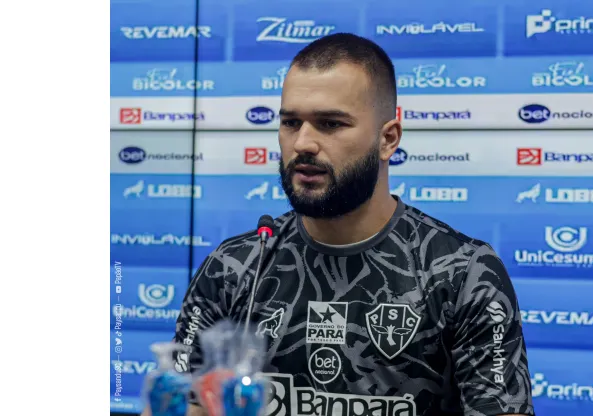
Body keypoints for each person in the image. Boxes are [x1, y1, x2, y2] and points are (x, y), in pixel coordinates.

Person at [145, 33, 535, 416]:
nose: (303, 143)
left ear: (388, 139)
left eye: (330, 124)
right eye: (291, 122)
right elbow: (181, 404)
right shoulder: (235, 266)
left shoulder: (463, 271)